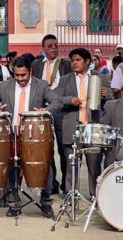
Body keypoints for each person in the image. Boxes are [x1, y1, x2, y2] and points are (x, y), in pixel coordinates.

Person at [0, 56, 58, 218]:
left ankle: (46, 203)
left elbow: (56, 102)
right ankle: (13, 204)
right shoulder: (5, 86)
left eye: (23, 75)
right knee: (10, 167)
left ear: (30, 72)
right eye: (17, 75)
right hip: (11, 133)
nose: (20, 79)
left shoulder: (41, 85)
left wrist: (45, 110)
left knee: (43, 166)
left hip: (34, 135)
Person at [49, 48, 113, 196]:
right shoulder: (66, 79)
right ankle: (71, 197)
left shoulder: (100, 78)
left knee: (94, 166)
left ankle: (95, 196)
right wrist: (69, 100)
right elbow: (56, 98)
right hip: (72, 127)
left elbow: (111, 101)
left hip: (93, 128)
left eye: (77, 60)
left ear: (87, 62)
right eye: (72, 60)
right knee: (72, 166)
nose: (74, 63)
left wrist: (106, 95)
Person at [31, 34, 72, 193]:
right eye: (50, 46)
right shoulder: (36, 65)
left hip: (61, 110)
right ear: (43, 48)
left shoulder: (65, 64)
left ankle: (66, 185)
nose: (54, 48)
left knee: (64, 149)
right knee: (46, 148)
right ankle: (52, 184)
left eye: (56, 45)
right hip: (42, 111)